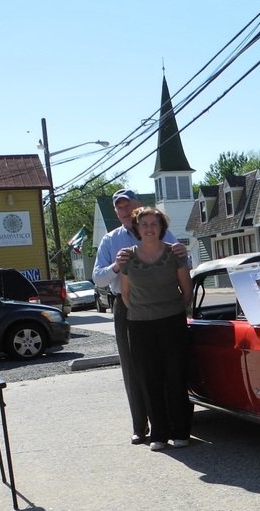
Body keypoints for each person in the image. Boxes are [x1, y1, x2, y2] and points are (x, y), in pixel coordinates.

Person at [93, 189, 187, 445]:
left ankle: (171, 424)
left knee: (168, 369)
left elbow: (179, 257)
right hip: (127, 306)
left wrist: (181, 250)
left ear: (137, 207)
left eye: (128, 206)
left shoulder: (158, 229)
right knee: (135, 368)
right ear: (116, 212)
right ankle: (140, 426)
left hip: (165, 305)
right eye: (119, 208)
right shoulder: (111, 240)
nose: (124, 211)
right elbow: (98, 277)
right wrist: (115, 265)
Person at [118, 207, 193, 451]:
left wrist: (169, 310)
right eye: (144, 224)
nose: (149, 228)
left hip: (172, 321)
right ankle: (158, 434)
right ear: (138, 229)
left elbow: (187, 291)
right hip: (140, 325)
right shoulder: (128, 257)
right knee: (150, 379)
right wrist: (144, 312)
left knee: (175, 376)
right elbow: (126, 295)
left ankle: (181, 431)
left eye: (154, 224)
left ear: (161, 227)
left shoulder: (175, 253)